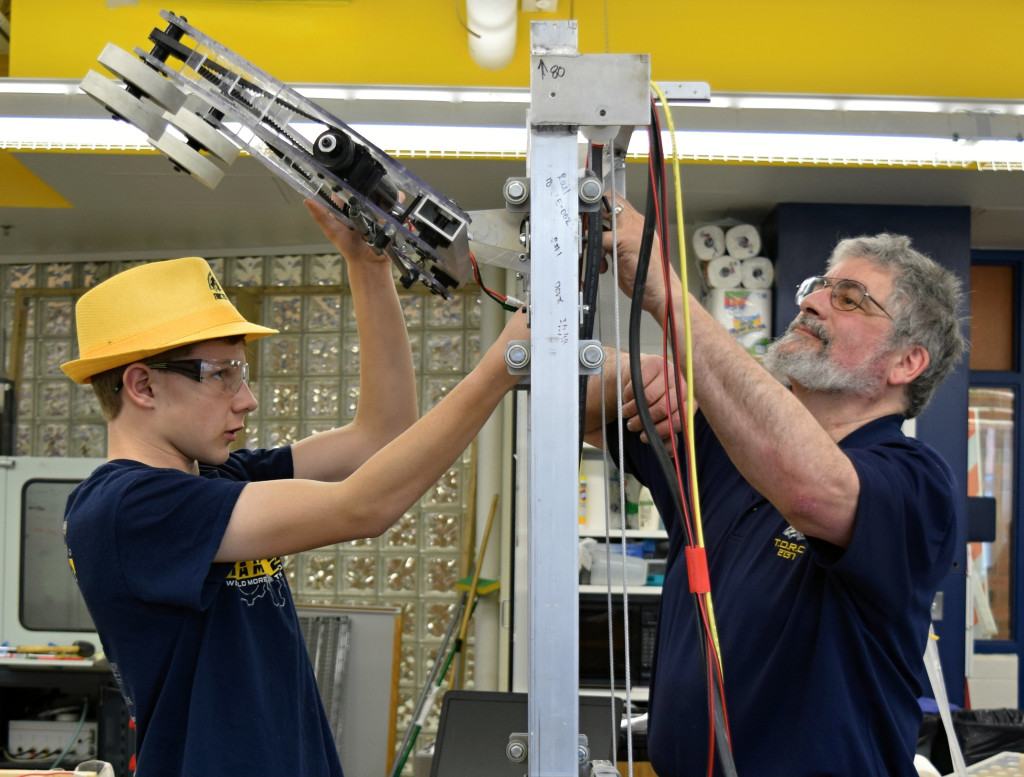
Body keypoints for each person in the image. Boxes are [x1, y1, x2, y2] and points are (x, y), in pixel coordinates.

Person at [60, 197, 528, 777]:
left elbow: (381, 434)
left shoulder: (220, 478)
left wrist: (368, 267)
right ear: (142, 386)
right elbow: (362, 506)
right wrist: (502, 366)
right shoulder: (126, 508)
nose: (247, 399)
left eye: (243, 372)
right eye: (221, 375)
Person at [587, 196, 967, 777]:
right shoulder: (721, 446)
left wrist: (666, 291)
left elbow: (811, 488)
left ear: (906, 363)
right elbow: (567, 395)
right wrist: (634, 373)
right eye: (819, 286)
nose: (811, 301)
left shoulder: (915, 483)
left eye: (848, 299)